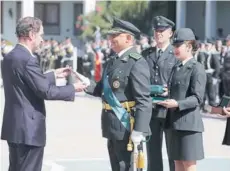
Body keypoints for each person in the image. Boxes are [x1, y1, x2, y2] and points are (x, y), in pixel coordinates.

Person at [1, 17, 86, 171]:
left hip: (15, 127)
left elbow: (24, 81)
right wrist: (73, 88)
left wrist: (53, 75)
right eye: (40, 34)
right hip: (29, 130)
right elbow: (46, 91)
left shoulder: (10, 56)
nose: (42, 39)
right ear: (31, 35)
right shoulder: (28, 59)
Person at [78, 18, 152, 171]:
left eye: (115, 36)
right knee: (116, 166)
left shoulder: (136, 62)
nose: (110, 40)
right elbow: (102, 90)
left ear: (128, 38)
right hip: (111, 125)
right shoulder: (113, 61)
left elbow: (144, 100)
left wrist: (139, 130)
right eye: (110, 36)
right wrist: (86, 83)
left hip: (126, 127)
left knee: (126, 167)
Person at [158, 28, 207, 171]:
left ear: (189, 46)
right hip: (173, 122)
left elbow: (197, 98)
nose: (175, 49)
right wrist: (166, 93)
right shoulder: (176, 67)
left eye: (178, 45)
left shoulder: (196, 68)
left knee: (188, 164)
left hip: (188, 124)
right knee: (177, 163)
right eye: (174, 45)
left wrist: (177, 104)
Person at [142, 15, 177, 171]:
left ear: (170, 33)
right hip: (152, 109)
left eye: (162, 30)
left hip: (171, 109)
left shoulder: (176, 53)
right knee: (153, 152)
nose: (159, 33)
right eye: (156, 30)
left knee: (173, 153)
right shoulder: (146, 54)